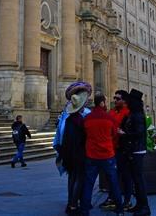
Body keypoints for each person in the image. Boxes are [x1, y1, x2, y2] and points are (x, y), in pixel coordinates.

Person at [81, 94, 123, 216]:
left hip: (92, 155)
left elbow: (84, 134)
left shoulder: (87, 118)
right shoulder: (109, 118)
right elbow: (115, 134)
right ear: (102, 103)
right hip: (107, 155)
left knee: (88, 183)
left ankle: (84, 210)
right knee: (114, 182)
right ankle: (119, 209)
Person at [54, 81, 92, 215]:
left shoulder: (68, 118)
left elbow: (62, 136)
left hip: (68, 153)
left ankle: (71, 202)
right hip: (79, 154)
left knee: (72, 178)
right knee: (79, 179)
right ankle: (73, 205)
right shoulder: (81, 120)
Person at [100, 90, 133, 211]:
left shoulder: (128, 113)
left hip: (123, 148)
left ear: (124, 100)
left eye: (117, 98)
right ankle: (112, 197)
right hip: (112, 148)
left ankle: (127, 200)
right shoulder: (112, 112)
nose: (115, 100)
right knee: (113, 175)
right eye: (114, 98)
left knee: (125, 175)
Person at [121, 89, 151, 216]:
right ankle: (139, 205)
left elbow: (138, 133)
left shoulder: (137, 115)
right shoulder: (135, 113)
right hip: (134, 149)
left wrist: (124, 134)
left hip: (137, 150)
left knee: (138, 179)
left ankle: (144, 207)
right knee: (136, 179)